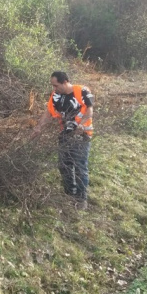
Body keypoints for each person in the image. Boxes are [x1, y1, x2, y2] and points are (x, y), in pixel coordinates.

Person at [30, 71, 94, 210]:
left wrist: (80, 125)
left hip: (81, 136)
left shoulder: (82, 91)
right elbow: (48, 112)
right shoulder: (56, 96)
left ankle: (81, 199)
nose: (54, 88)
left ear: (65, 82)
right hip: (65, 135)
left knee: (79, 167)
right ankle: (69, 194)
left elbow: (89, 110)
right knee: (64, 166)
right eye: (53, 86)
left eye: (56, 85)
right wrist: (39, 127)